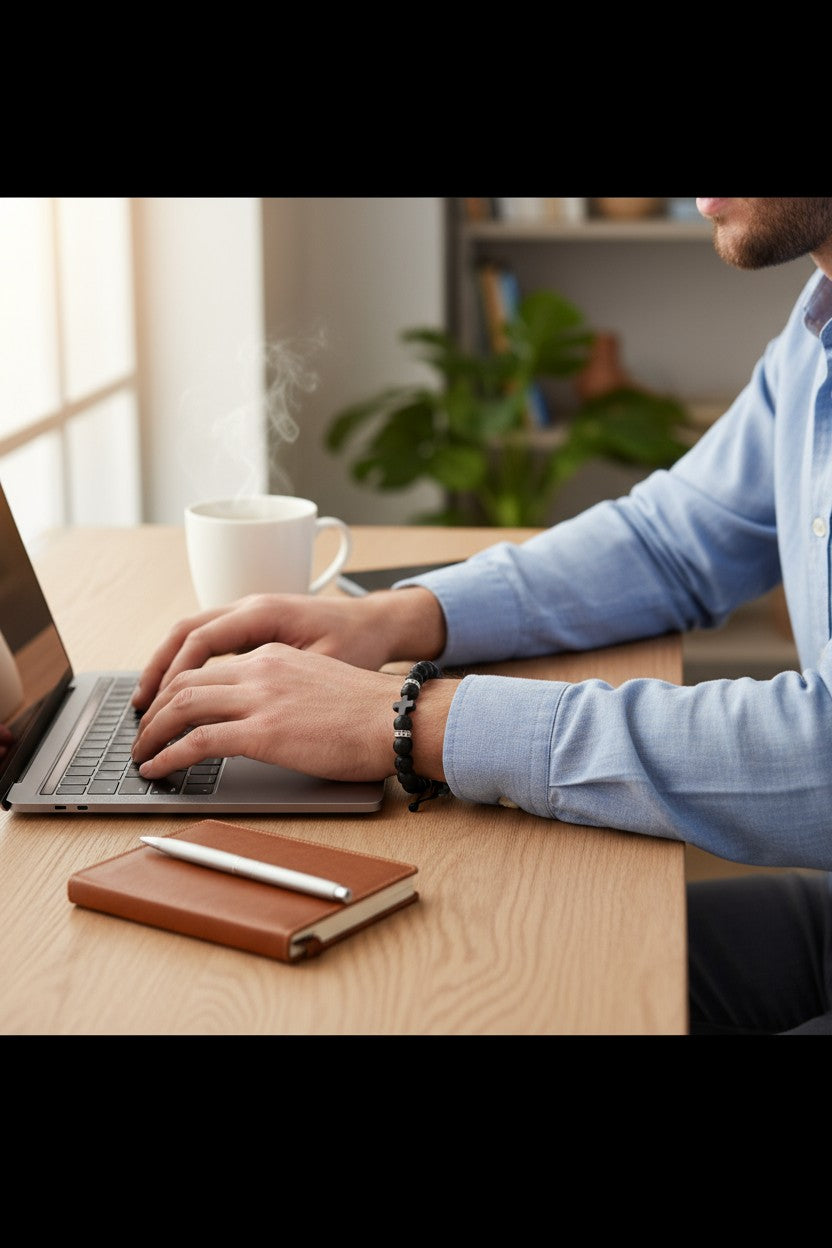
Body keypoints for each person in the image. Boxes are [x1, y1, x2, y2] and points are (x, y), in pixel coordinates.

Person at [131, 198, 832, 1036]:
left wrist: (410, 720)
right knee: (507, 985)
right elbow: (670, 541)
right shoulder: (815, 327)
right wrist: (401, 618)